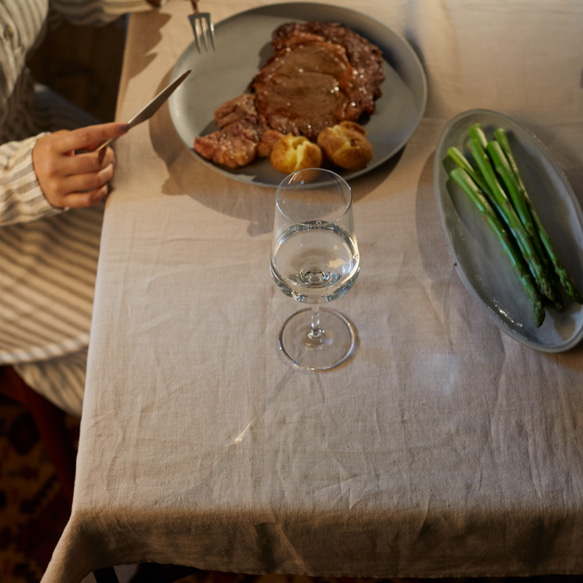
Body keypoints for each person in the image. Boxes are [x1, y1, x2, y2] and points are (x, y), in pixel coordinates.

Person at [0, 0, 164, 417]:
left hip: (43, 137)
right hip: (10, 244)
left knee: (201, 234)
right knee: (154, 328)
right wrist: (20, 179)